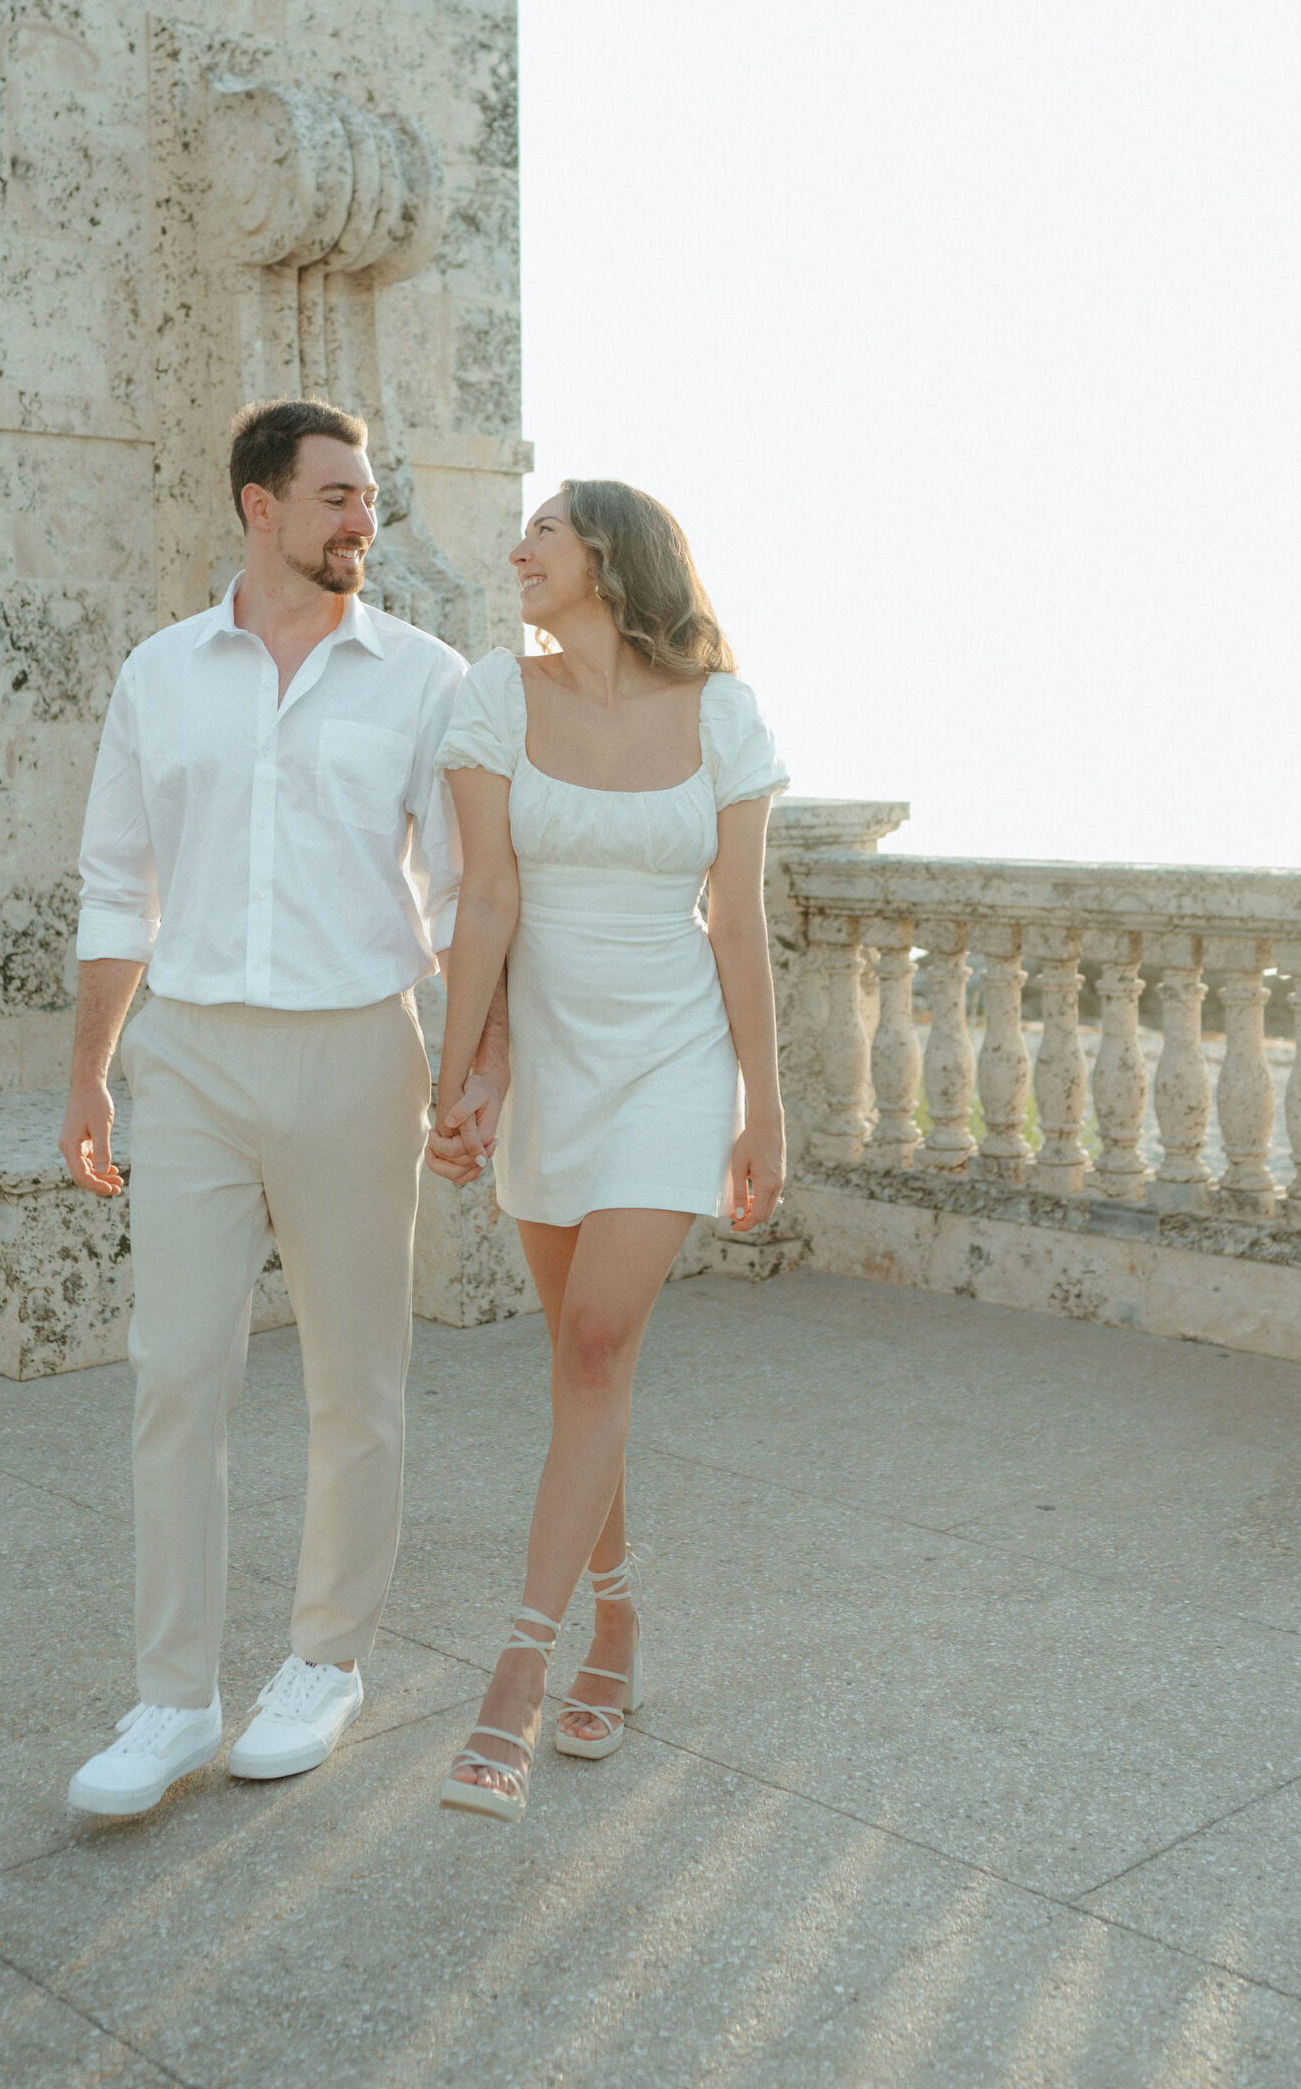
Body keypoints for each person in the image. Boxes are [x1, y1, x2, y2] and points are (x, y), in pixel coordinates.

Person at [60, 397, 507, 1816]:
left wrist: (467, 1066)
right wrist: (89, 1073)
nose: (363, 521)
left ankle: (325, 1662)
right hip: (188, 1056)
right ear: (260, 505)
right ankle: (171, 1697)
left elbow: (460, 896)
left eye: (368, 498)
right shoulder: (160, 674)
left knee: (353, 1384)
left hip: (353, 1052)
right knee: (175, 1374)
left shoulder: (425, 678)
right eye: (337, 498)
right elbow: (115, 882)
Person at [428, 479, 786, 1824]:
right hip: (553, 1069)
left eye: (545, 533)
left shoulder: (724, 714)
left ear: (613, 558)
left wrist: (766, 1106)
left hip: (675, 1064)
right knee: (591, 1364)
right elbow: (487, 901)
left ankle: (514, 1674)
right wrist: (460, 1078)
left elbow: (739, 923)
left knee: (592, 1349)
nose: (519, 550)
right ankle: (619, 1625)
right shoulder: (490, 699)